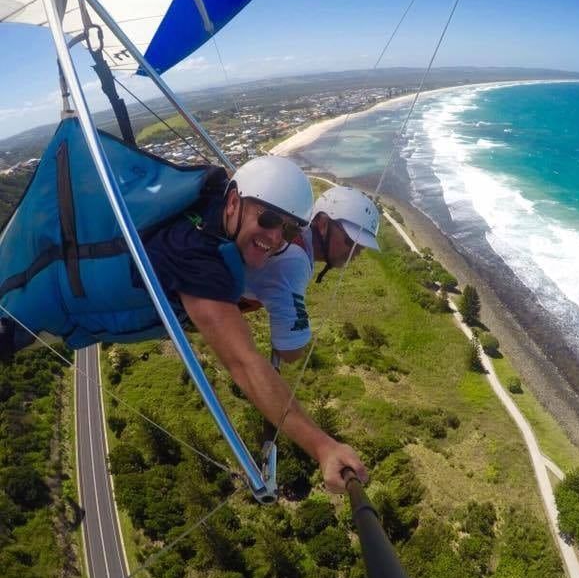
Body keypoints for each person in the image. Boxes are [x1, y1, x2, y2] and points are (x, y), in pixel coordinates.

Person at [0, 154, 367, 493]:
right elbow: (246, 365)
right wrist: (323, 446)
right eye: (268, 220)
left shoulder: (211, 197)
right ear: (235, 202)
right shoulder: (200, 259)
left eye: (287, 231)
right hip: (26, 313)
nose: (273, 238)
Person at [240, 185, 381, 363]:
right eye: (351, 241)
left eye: (361, 247)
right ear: (322, 224)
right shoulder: (295, 259)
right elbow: (291, 352)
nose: (356, 251)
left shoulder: (296, 234)